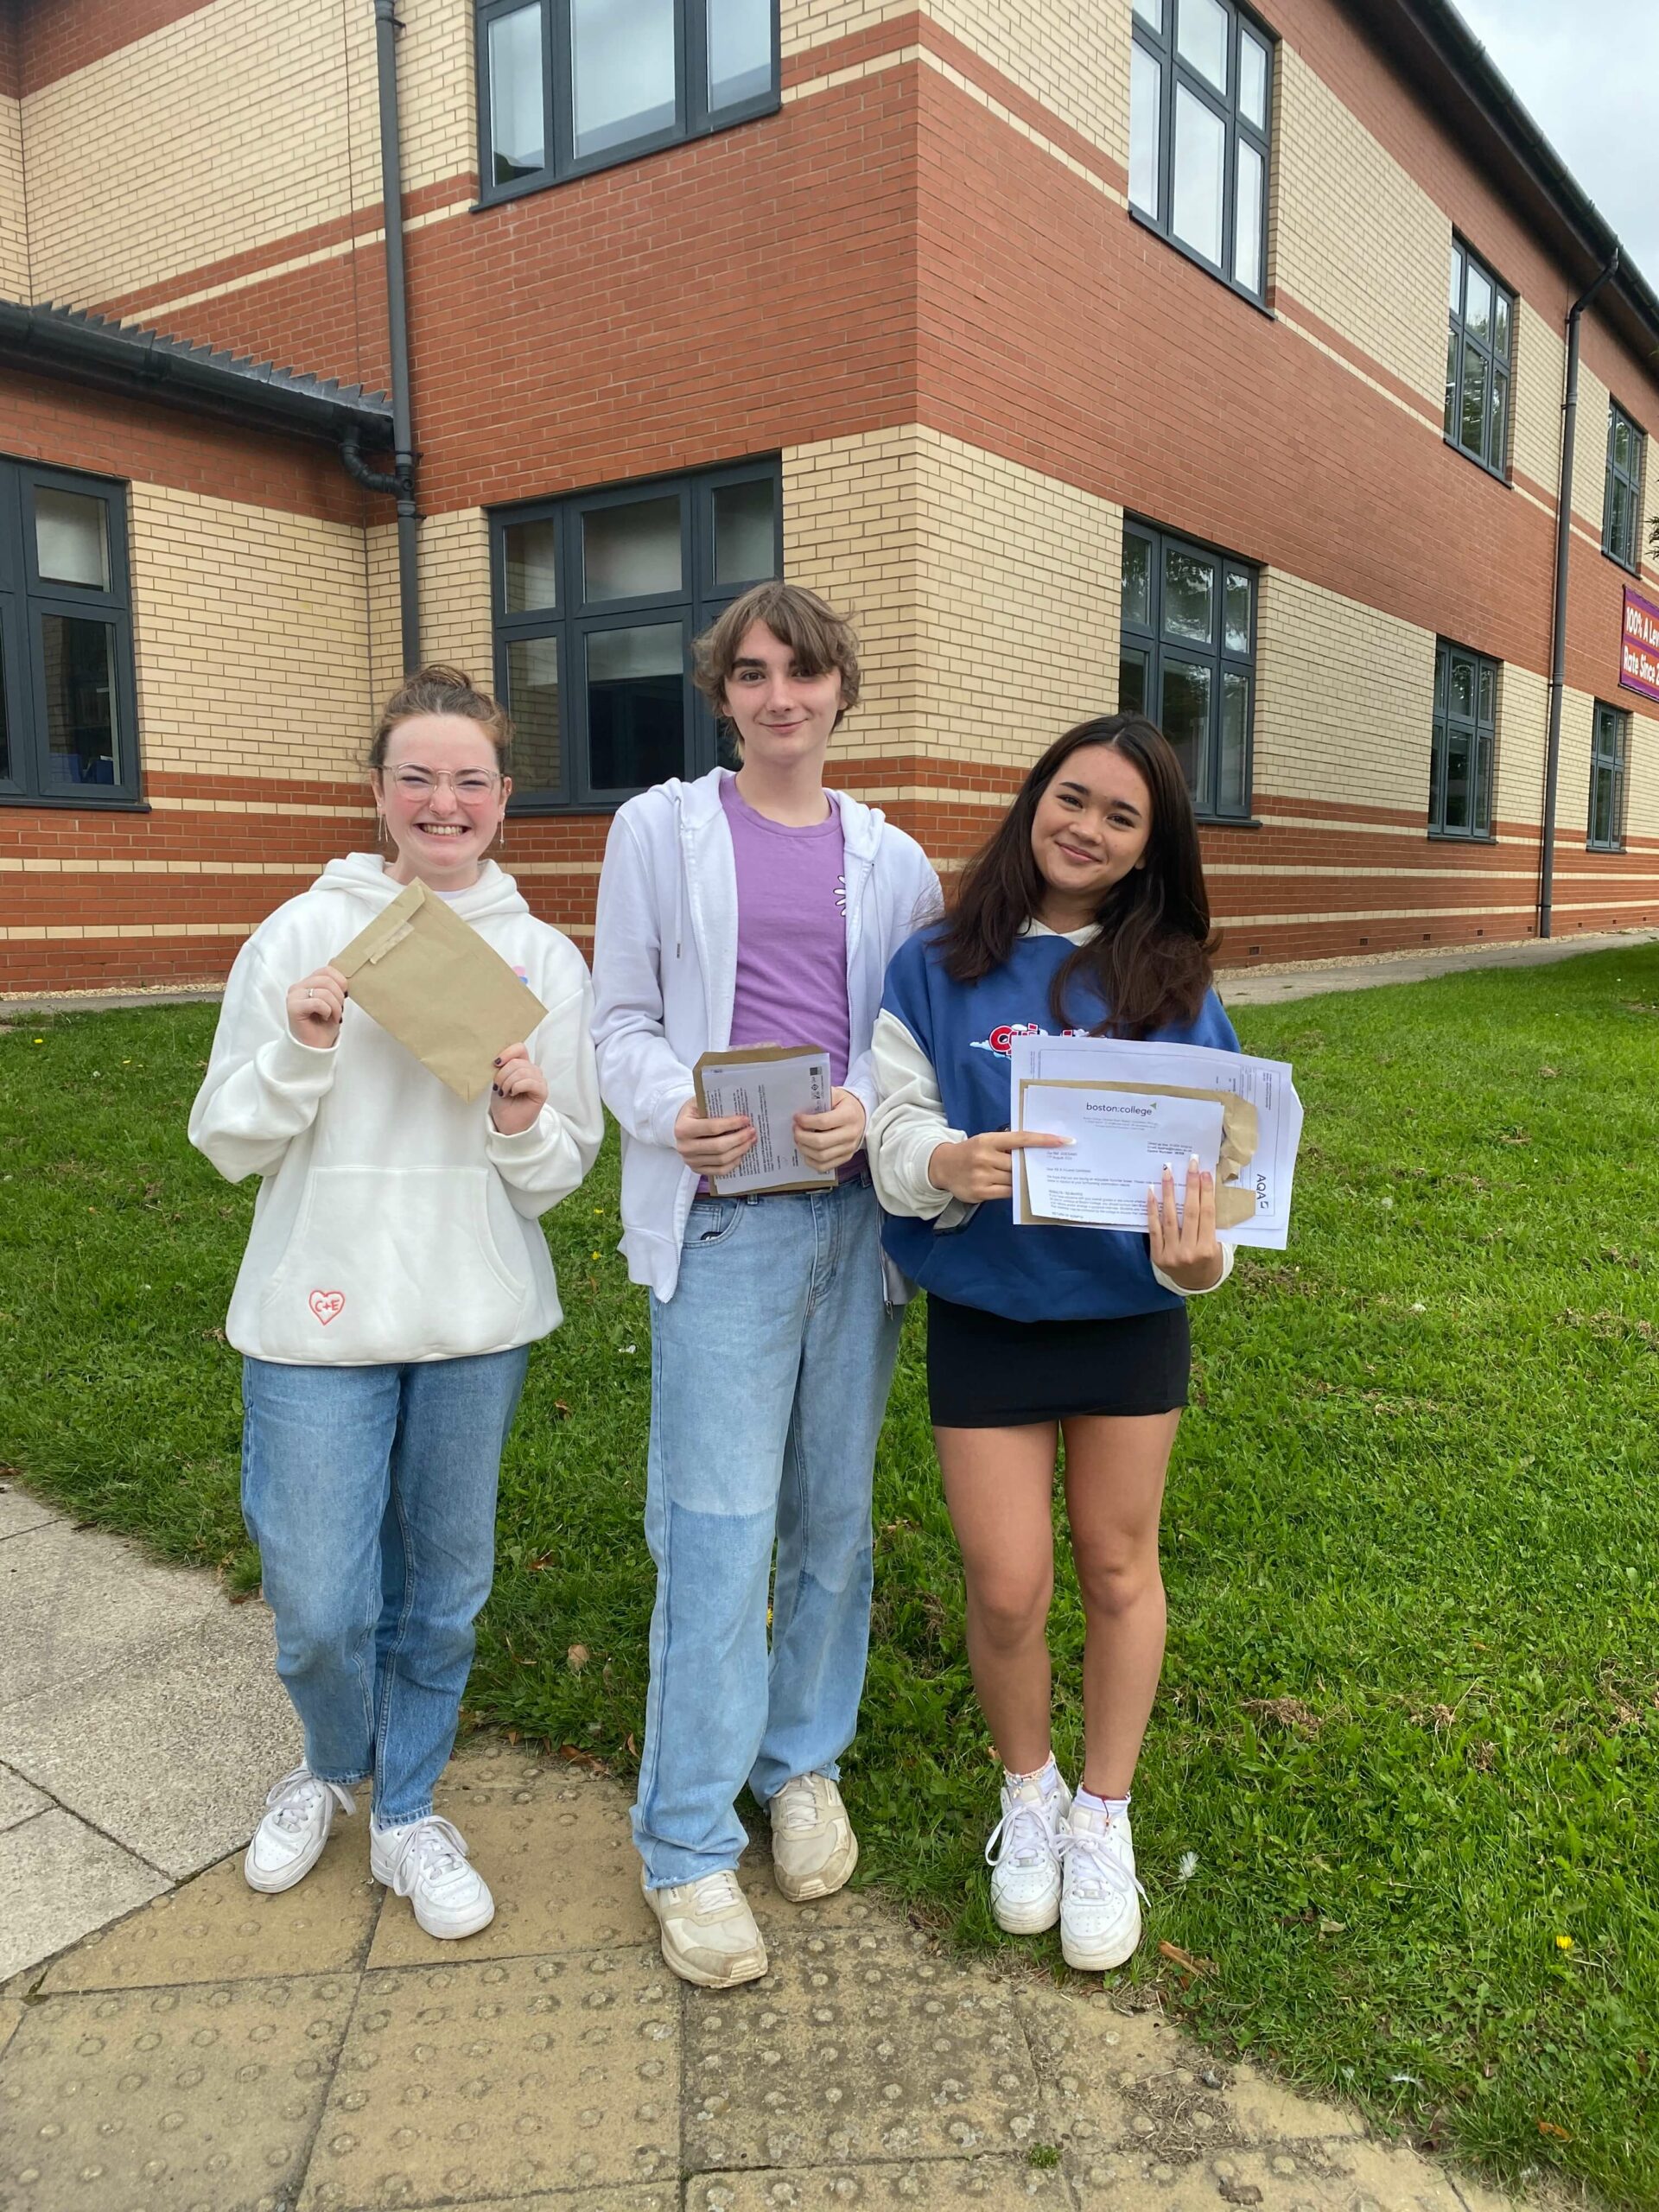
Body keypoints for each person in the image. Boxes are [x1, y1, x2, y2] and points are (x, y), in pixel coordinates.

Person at [189, 664, 602, 1939]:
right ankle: (326, 1767)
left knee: (442, 1588)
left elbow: (561, 1169)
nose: (443, 802)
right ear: (376, 792)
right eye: (416, 777)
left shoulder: (540, 958)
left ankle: (410, 1805)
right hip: (318, 1315)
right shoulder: (298, 934)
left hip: (475, 1321)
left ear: (502, 797)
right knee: (321, 1601)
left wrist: (524, 1119)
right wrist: (302, 1047)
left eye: (469, 779)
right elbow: (225, 1139)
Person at [592, 582, 939, 1987]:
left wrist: (864, 1100)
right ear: (720, 693)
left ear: (841, 689)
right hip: (726, 1228)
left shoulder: (894, 858)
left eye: (804, 673)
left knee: (831, 1522)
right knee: (719, 1528)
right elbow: (614, 1018)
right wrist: (673, 1106)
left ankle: (802, 1764)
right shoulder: (657, 833)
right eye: (752, 674)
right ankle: (683, 1838)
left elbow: (907, 1041)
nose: (779, 696)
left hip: (851, 1228)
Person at [867, 712, 1238, 1972]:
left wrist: (1206, 1257)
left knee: (1116, 1567)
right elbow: (891, 1123)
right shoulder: (936, 964)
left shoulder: (1179, 986)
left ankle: (1104, 1815)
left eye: (1121, 816)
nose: (1086, 827)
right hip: (989, 1311)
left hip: (1129, 1321)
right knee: (1008, 1582)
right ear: (1037, 800)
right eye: (1071, 797)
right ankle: (1026, 1798)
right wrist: (941, 1160)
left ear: (1149, 850)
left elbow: (1226, 1182)